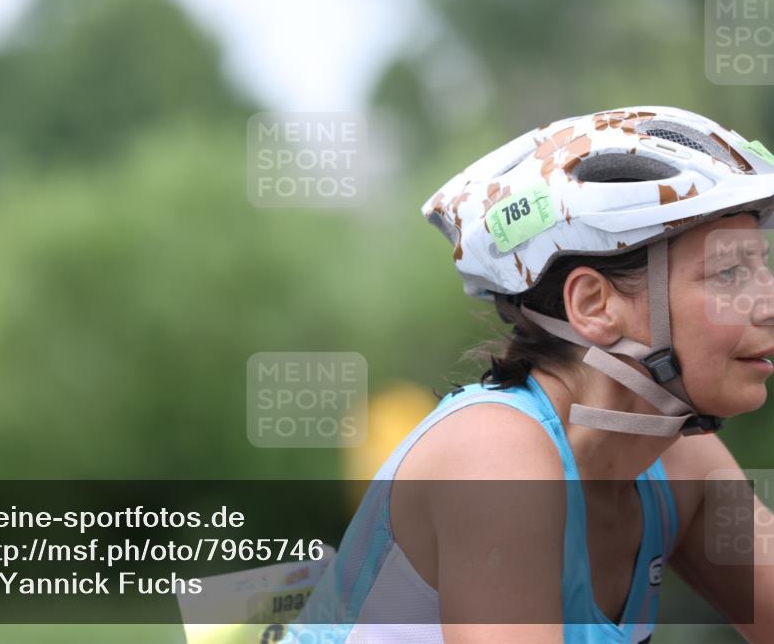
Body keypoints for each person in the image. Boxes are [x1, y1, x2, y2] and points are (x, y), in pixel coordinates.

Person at [287, 106, 774, 643]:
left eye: (763, 266)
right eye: (728, 273)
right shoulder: (493, 457)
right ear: (593, 305)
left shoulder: (679, 465)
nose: (768, 302)